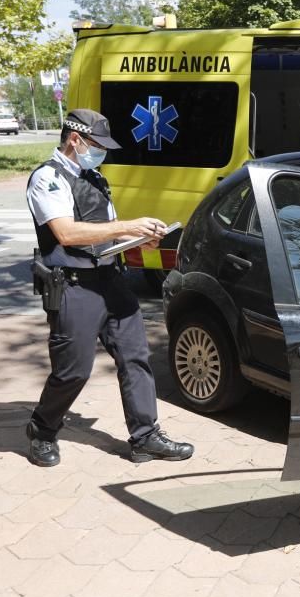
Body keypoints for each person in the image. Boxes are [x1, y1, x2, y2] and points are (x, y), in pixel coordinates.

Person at [25, 108, 194, 468]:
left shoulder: (95, 178)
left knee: (135, 357)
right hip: (75, 287)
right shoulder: (48, 178)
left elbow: (105, 234)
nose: (100, 152)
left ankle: (145, 437)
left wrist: (139, 241)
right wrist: (128, 226)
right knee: (73, 371)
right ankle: (41, 429)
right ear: (75, 140)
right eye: (95, 144)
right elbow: (67, 233)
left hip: (110, 281)